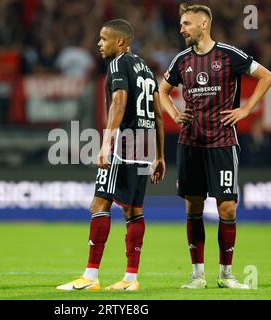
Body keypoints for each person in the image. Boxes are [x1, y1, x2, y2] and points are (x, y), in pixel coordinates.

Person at [159, 4, 271, 289]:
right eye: (181, 23)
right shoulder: (181, 60)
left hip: (222, 142)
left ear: (203, 24)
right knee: (193, 206)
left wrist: (246, 109)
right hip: (190, 144)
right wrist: (174, 114)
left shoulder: (228, 55)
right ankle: (197, 276)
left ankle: (226, 275)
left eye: (186, 23)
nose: (182, 29)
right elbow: (161, 92)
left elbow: (266, 76)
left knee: (227, 209)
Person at [56, 19, 165, 291]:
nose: (99, 43)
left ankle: (90, 278)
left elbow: (119, 101)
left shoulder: (119, 63)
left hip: (124, 143)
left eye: (104, 38)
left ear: (120, 42)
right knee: (134, 210)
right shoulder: (148, 70)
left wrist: (107, 143)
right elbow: (159, 114)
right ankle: (130, 279)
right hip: (145, 145)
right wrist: (159, 155)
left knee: (99, 205)